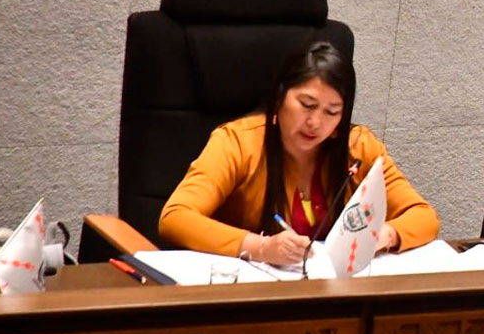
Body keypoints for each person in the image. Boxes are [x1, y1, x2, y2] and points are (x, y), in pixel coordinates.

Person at [159, 40, 438, 264]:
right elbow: (175, 218)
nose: (316, 123)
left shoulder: (358, 148)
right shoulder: (236, 142)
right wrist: (261, 247)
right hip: (245, 293)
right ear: (280, 98)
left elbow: (423, 215)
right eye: (306, 104)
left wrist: (384, 235)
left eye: (332, 112)